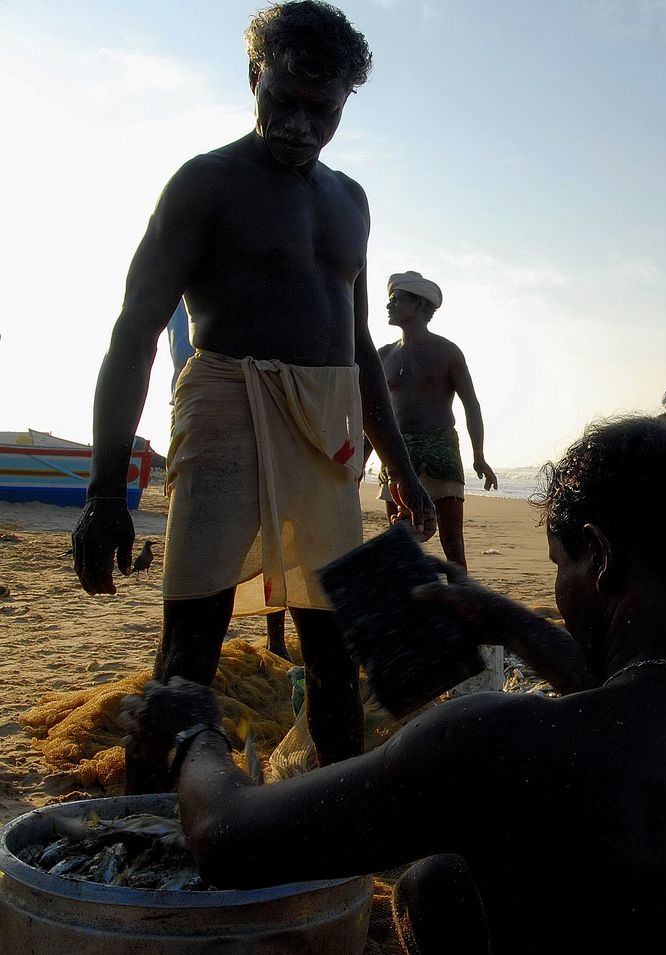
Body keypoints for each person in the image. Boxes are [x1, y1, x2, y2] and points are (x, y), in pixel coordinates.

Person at [122, 417, 666, 955]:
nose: (560, 589)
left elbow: (224, 839)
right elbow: (648, 707)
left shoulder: (496, 746)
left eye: (559, 564)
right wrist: (512, 623)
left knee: (437, 876)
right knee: (442, 882)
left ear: (599, 557)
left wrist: (194, 732)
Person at [72, 1, 436, 792]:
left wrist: (401, 468)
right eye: (285, 100)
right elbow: (133, 336)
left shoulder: (352, 200)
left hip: (328, 428)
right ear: (252, 78)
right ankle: (148, 837)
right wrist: (105, 489)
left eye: (323, 109)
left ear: (344, 104)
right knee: (188, 650)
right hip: (226, 403)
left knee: (338, 645)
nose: (301, 125)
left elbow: (356, 348)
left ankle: (331, 842)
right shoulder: (205, 184)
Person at [370, 271, 502, 693]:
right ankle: (410, 624)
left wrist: (480, 456)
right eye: (389, 299)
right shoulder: (383, 354)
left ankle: (462, 618)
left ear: (422, 307)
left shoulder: (447, 353)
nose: (390, 305)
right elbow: (374, 415)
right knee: (401, 540)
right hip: (398, 452)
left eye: (399, 300)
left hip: (441, 449)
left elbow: (472, 404)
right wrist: (363, 458)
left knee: (452, 543)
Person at [169, 300, 291, 660]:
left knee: (278, 535)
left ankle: (276, 637)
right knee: (206, 554)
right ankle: (189, 653)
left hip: (272, 397)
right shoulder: (189, 299)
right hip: (205, 406)